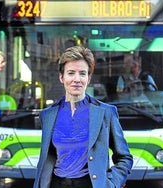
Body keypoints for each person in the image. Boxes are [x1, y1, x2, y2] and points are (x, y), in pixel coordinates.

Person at [34, 46, 133, 188]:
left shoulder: (106, 112)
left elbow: (124, 157)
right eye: (71, 73)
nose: (77, 79)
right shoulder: (47, 115)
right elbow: (45, 160)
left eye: (82, 73)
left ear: (89, 77)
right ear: (61, 77)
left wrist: (112, 182)